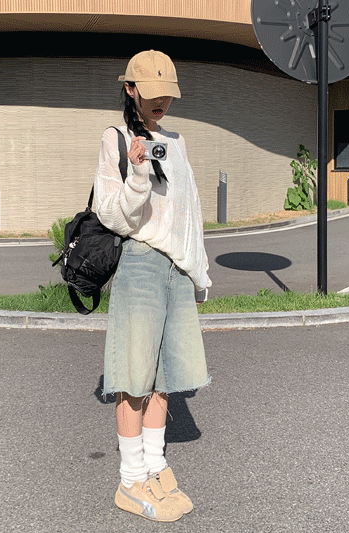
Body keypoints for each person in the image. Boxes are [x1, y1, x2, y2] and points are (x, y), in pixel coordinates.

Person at [94, 50, 212, 522]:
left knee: (166, 380)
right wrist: (138, 173)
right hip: (141, 264)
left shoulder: (177, 142)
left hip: (177, 269)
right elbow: (112, 214)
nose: (160, 101)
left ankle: (155, 465)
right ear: (130, 89)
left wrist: (199, 272)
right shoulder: (116, 138)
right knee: (135, 379)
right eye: (151, 92)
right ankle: (130, 480)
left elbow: (190, 212)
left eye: (167, 93)